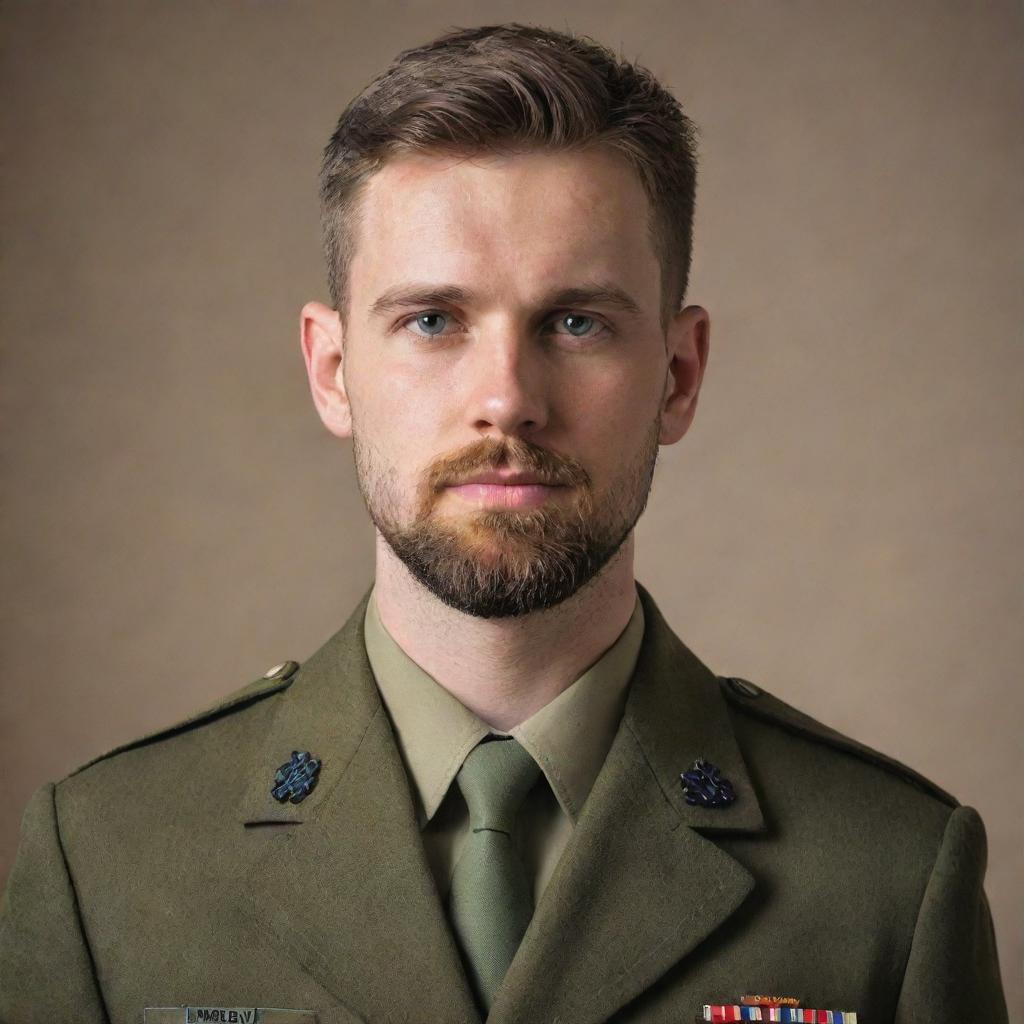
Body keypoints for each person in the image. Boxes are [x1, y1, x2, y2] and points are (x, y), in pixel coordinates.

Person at [0, 22, 1008, 1024]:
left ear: (679, 373)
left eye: (576, 321)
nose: (508, 399)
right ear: (332, 370)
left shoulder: (888, 872)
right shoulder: (109, 860)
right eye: (432, 320)